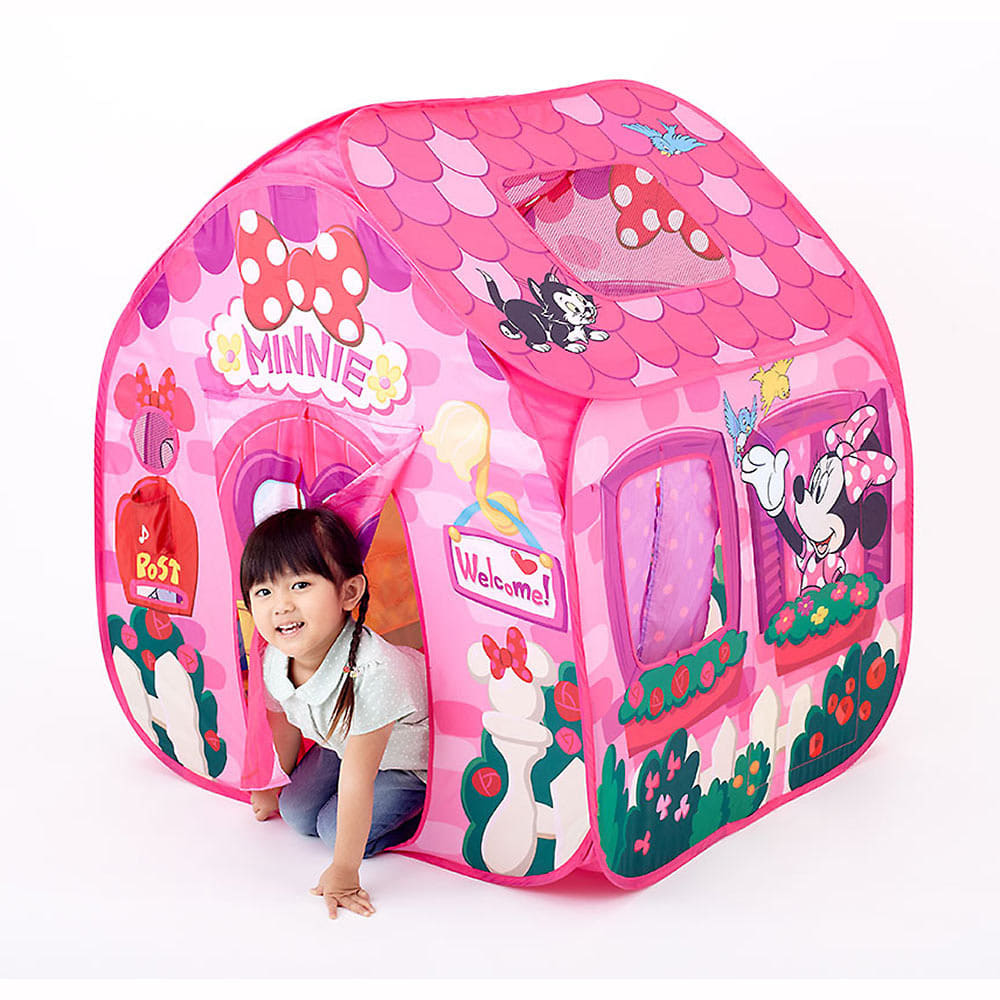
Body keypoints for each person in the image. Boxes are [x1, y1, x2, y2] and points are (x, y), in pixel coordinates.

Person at [239, 507, 428, 919]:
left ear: (349, 592)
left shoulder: (373, 674)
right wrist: (271, 784)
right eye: (264, 592)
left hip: (404, 761)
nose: (281, 606)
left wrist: (344, 872)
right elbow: (284, 724)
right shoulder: (275, 657)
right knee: (296, 812)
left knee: (331, 829)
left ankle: (420, 812)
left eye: (300, 585)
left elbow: (358, 778)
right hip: (342, 742)